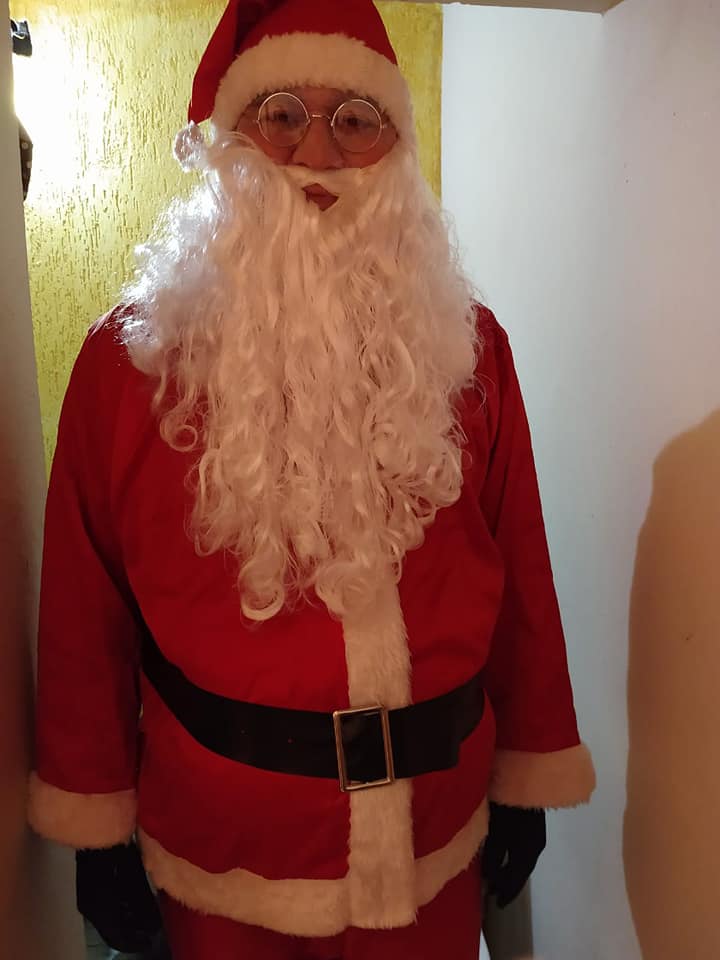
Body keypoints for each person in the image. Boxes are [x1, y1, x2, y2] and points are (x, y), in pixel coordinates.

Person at [27, 1, 596, 958]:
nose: (319, 154)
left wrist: (526, 773)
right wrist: (97, 827)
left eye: (356, 121)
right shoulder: (131, 363)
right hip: (224, 857)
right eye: (282, 115)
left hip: (436, 840)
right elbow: (85, 609)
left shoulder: (471, 350)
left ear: (396, 151)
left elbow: (523, 574)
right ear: (229, 143)